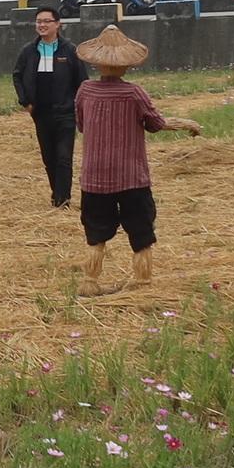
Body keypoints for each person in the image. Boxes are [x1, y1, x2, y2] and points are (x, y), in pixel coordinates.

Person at [72, 23, 200, 291]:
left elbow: (82, 125)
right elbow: (154, 123)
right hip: (131, 177)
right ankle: (143, 281)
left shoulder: (85, 91)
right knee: (140, 229)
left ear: (97, 62)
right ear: (127, 64)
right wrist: (182, 123)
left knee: (96, 231)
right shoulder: (134, 93)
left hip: (94, 177)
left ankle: (90, 281)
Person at [10, 4, 87, 208]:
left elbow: (82, 81)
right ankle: (57, 194)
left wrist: (78, 107)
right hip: (41, 113)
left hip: (65, 113)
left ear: (57, 24)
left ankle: (63, 200)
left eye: (46, 21)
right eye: (39, 21)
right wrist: (25, 101)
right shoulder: (29, 51)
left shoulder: (69, 50)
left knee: (63, 157)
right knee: (49, 158)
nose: (42, 25)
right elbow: (17, 76)